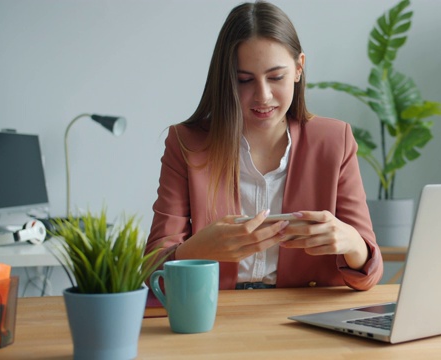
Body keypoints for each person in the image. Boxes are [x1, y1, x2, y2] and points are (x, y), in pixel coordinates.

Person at [146, 0, 383, 291]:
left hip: (305, 317)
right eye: (244, 80)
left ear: (299, 68)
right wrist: (196, 250)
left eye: (276, 77)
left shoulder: (335, 140)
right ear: (226, 80)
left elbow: (370, 272)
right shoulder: (187, 143)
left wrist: (351, 243)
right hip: (215, 311)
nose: (263, 95)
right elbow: (153, 268)